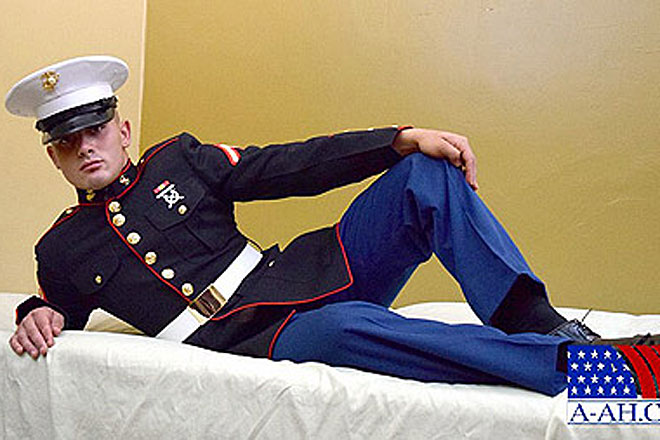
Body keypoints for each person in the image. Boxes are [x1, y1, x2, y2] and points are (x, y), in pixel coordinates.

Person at [4, 56, 653, 397]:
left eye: (96, 130)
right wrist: (37, 310)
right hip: (246, 338)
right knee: (344, 328)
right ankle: (589, 371)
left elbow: (287, 165)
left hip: (300, 274)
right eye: (67, 142)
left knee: (424, 175)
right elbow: (57, 306)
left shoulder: (180, 160)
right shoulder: (62, 246)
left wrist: (397, 140)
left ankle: (539, 322)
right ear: (55, 156)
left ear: (122, 130)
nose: (86, 147)